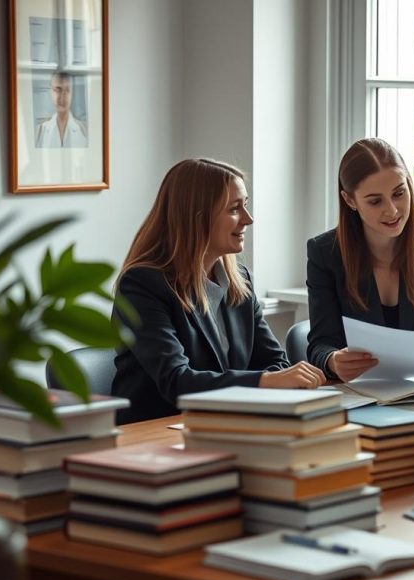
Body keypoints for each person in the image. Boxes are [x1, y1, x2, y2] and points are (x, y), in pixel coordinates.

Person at [113, 158, 326, 423]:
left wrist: (275, 379)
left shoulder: (240, 280)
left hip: (227, 425)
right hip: (156, 434)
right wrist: (265, 381)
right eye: (235, 209)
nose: (248, 219)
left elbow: (275, 361)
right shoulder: (142, 285)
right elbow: (177, 381)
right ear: (197, 216)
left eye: (245, 205)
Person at [306, 137, 414, 384]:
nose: (392, 210)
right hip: (355, 395)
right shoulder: (325, 252)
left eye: (399, 193)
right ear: (350, 201)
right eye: (375, 201)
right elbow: (320, 344)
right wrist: (332, 359)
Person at [35, 70, 88, 148]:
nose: (62, 97)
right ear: (51, 92)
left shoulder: (85, 131)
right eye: (58, 90)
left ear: (72, 93)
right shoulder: (39, 132)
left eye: (67, 90)